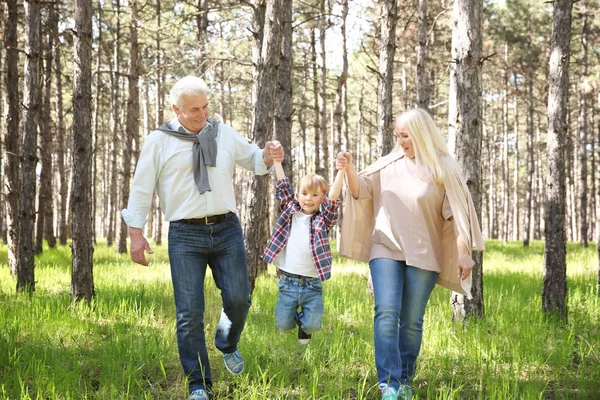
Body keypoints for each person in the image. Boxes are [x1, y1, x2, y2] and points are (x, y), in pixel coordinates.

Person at [121, 75, 284, 400]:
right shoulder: (159, 140)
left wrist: (268, 154)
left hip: (226, 229)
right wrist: (135, 234)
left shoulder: (221, 133)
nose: (202, 114)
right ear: (176, 110)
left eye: (205, 106)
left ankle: (227, 343)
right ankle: (199, 385)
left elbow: (253, 160)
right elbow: (141, 187)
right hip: (185, 234)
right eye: (194, 109)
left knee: (239, 299)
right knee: (189, 313)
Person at [337, 108, 485, 400]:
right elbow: (361, 191)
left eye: (406, 136)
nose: (401, 141)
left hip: (424, 252)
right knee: (386, 312)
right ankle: (389, 384)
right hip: (385, 246)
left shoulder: (443, 167)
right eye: (398, 136)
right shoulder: (389, 164)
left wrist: (464, 253)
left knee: (412, 320)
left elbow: (456, 214)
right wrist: (348, 169)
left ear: (421, 134)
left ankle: (404, 379)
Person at [262, 161, 345, 344]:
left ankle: (305, 329)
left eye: (315, 195)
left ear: (322, 199)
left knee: (313, 325)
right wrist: (276, 161)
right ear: (297, 195)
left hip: (312, 284)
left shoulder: (323, 220)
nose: (308, 199)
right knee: (283, 324)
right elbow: (283, 185)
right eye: (304, 194)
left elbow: (333, 200)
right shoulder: (291, 212)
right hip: (288, 282)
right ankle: (296, 321)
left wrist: (341, 171)